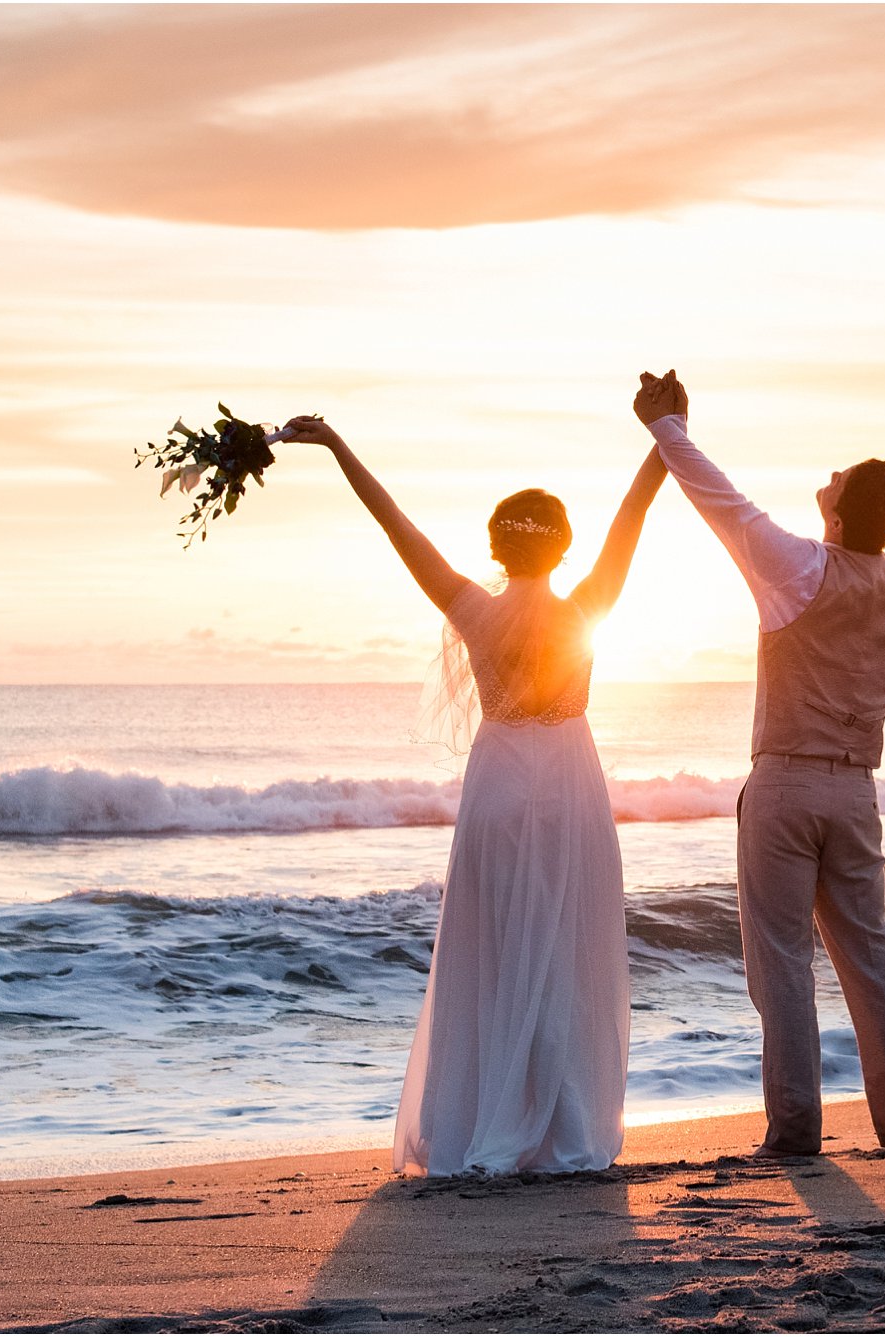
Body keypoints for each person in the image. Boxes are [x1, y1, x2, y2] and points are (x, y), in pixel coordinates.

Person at [277, 414, 668, 1176]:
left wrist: (334, 444)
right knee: (562, 953)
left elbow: (395, 522)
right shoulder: (584, 607)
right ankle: (564, 1124)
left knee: (493, 951)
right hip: (569, 784)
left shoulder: (472, 609)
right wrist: (667, 438)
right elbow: (634, 514)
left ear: (496, 546)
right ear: (561, 547)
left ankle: (489, 1116)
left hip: (496, 784)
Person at [628, 371, 885, 1158]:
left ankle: (794, 1130)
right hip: (855, 790)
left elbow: (719, 499)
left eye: (838, 477)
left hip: (784, 781)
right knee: (872, 955)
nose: (828, 477)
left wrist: (668, 425)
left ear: (842, 510)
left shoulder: (797, 566)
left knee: (781, 962)